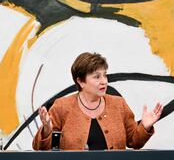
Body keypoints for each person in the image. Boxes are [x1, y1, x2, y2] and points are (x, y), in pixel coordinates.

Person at [33, 52, 163, 150]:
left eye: (105, 75)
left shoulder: (119, 104)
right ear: (80, 81)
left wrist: (145, 126)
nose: (104, 81)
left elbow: (134, 141)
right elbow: (40, 148)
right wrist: (47, 130)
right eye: (97, 77)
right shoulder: (62, 106)